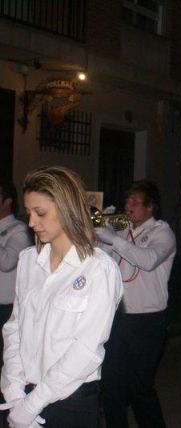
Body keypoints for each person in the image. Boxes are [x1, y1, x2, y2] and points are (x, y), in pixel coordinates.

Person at [1, 166, 123, 427]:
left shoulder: (98, 269)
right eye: (29, 212)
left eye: (40, 213)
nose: (31, 222)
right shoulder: (28, 260)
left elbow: (86, 350)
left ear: (67, 209)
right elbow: (15, 328)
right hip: (22, 394)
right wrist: (13, 391)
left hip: (69, 402)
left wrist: (32, 404)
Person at [96, 180, 176, 428]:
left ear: (150, 207)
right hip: (118, 318)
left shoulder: (162, 232)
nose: (128, 206)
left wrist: (114, 239)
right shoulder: (122, 230)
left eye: (134, 202)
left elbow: (149, 259)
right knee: (110, 385)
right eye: (126, 201)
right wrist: (99, 233)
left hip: (148, 320)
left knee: (140, 387)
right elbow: (100, 260)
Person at [0, 181, 32, 365]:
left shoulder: (18, 230)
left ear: (7, 202)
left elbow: (7, 262)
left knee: (6, 361)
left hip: (6, 308)